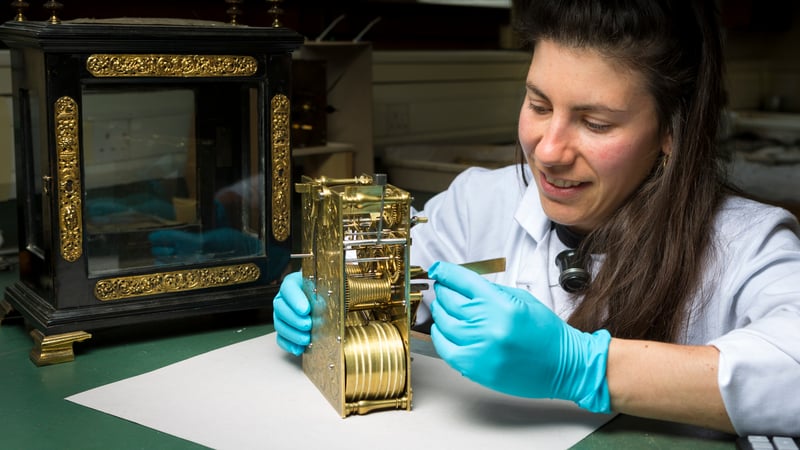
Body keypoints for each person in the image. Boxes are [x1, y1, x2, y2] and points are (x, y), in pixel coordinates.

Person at [273, 0, 800, 437]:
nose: (548, 151)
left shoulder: (746, 243)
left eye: (595, 123)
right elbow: (383, 271)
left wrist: (583, 367)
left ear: (671, 133)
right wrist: (330, 289)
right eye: (539, 104)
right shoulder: (475, 204)